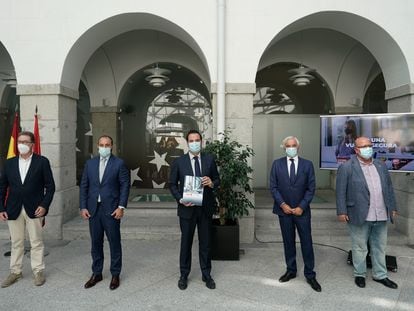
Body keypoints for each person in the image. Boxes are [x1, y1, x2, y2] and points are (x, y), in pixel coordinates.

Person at [336, 136, 398, 289]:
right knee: (359, 247)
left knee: (379, 246)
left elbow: (389, 187)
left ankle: (380, 275)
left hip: (381, 212)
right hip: (358, 213)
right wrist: (341, 211)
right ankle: (360, 274)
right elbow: (340, 191)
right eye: (363, 146)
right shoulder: (347, 167)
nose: (367, 148)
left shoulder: (380, 165)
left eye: (369, 145)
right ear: (356, 150)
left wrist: (393, 207)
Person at [0, 131, 55, 287]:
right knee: (16, 242)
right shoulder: (9, 163)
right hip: (13, 208)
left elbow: (50, 187)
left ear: (32, 144)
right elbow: (2, 187)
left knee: (36, 242)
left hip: (35, 209)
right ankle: (15, 272)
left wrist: (44, 205)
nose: (21, 145)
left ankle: (38, 271)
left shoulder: (42, 162)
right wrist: (1, 208)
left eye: (25, 142)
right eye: (19, 141)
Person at [169, 129, 220, 290]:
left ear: (201, 141)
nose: (195, 143)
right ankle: (184, 275)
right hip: (187, 208)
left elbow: (217, 179)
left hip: (205, 208)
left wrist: (212, 183)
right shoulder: (179, 162)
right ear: (187, 142)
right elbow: (172, 184)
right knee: (186, 243)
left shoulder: (209, 159)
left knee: (205, 243)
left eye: (197, 140)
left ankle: (206, 274)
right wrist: (180, 199)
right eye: (191, 140)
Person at [269, 136, 321, 292]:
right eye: (288, 145)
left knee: (306, 242)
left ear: (298, 147)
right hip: (283, 211)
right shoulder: (277, 164)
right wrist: (283, 204)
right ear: (284, 147)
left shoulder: (307, 165)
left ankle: (310, 274)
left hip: (302, 212)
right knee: (288, 242)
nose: (291, 148)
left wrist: (301, 206)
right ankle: (291, 270)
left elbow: (311, 188)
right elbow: (273, 187)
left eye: (293, 145)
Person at [80, 135, 130, 290]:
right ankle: (97, 273)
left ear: (112, 146)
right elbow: (84, 186)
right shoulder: (90, 163)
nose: (104, 147)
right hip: (93, 210)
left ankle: (115, 274)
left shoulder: (119, 163)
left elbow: (125, 186)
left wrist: (121, 207)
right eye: (101, 144)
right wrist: (83, 207)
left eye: (107, 145)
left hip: (112, 210)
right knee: (96, 243)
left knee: (114, 242)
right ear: (97, 146)